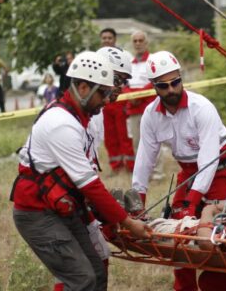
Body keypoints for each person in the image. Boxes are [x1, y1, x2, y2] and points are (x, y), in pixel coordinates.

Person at [10, 51, 149, 290]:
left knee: (97, 270)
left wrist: (111, 215)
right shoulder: (61, 124)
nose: (107, 100)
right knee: (82, 280)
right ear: (83, 88)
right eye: (103, 93)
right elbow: (89, 184)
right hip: (38, 213)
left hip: (62, 207)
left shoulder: (79, 117)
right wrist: (127, 222)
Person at [132, 50, 226, 291]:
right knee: (177, 233)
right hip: (189, 172)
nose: (171, 90)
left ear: (181, 77)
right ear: (154, 87)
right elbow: (144, 159)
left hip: (219, 167)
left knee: (217, 228)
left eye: (175, 82)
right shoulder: (150, 115)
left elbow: (209, 160)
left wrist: (193, 201)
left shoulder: (202, 108)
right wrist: (138, 201)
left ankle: (220, 283)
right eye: (163, 85)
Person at [99, 28, 136, 173]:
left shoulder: (124, 55)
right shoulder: (98, 57)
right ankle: (116, 166)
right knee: (109, 136)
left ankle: (130, 166)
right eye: (104, 38)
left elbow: (130, 79)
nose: (106, 40)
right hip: (104, 102)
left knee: (124, 134)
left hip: (121, 99)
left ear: (114, 39)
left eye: (109, 38)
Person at [125, 30, 156, 153]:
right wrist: (130, 95)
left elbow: (155, 81)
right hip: (133, 107)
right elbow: (125, 83)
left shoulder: (153, 59)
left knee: (153, 140)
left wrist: (139, 95)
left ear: (146, 42)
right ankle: (142, 172)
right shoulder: (129, 64)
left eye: (140, 40)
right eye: (135, 41)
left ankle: (158, 173)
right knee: (136, 142)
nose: (138, 43)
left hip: (149, 106)